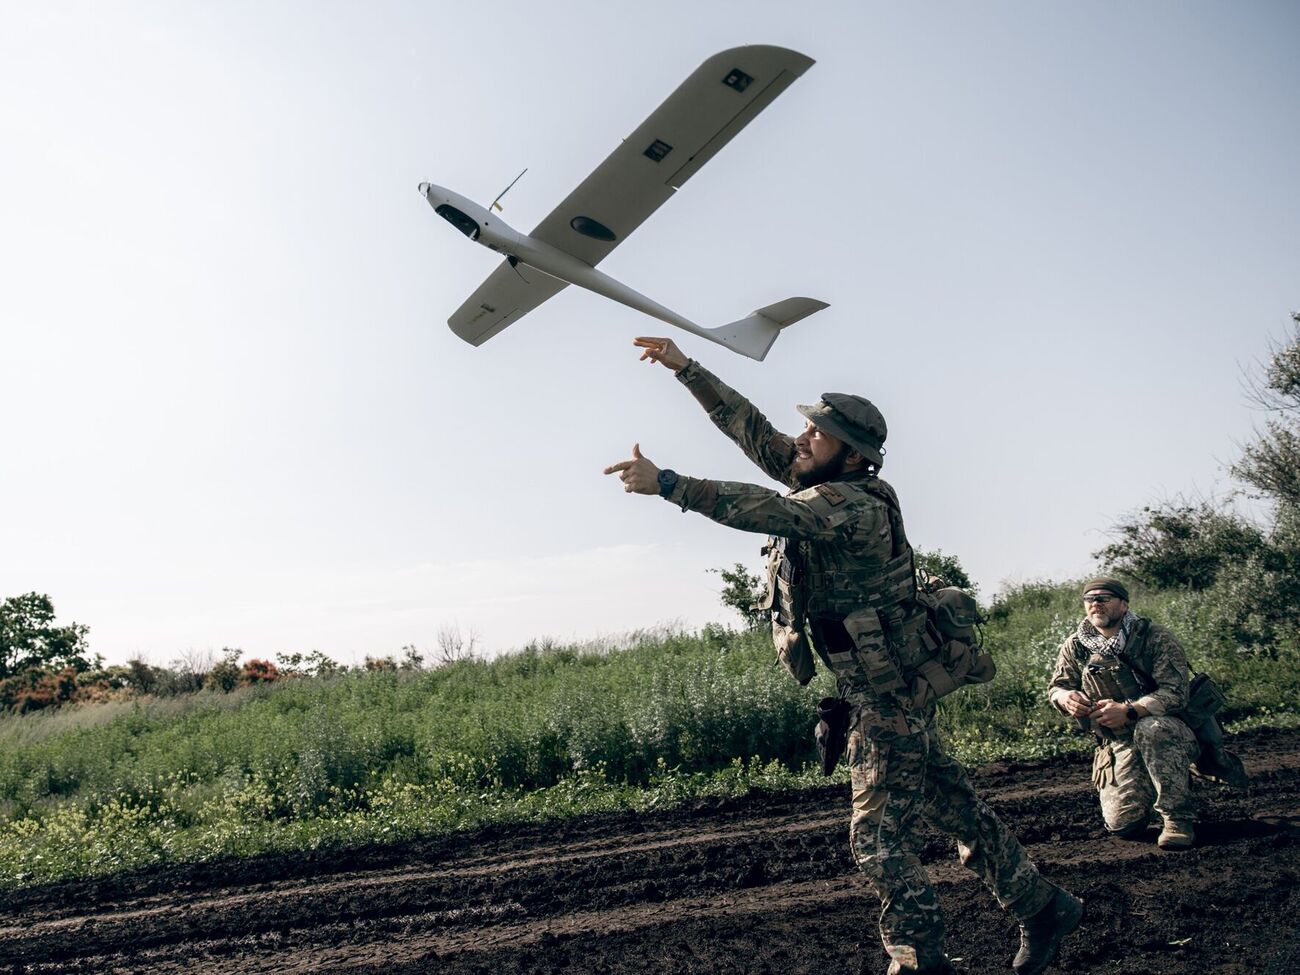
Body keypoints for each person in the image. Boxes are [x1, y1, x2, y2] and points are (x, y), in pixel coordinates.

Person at [604, 337, 1082, 975]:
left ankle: (919, 960)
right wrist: (687, 369)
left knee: (878, 843)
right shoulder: (826, 476)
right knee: (959, 810)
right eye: (805, 428)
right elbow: (754, 434)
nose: (801, 440)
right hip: (885, 691)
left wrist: (668, 483)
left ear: (852, 454)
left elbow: (766, 508)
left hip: (886, 699)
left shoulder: (850, 505)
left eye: (816, 433)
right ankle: (1043, 907)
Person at [1047, 578, 1201, 849]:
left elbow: (1176, 693)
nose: (1096, 603)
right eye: (1090, 599)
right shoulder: (1077, 646)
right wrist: (1066, 698)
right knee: (1123, 825)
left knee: (1152, 729)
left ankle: (1177, 818)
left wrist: (1131, 711)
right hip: (1117, 741)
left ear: (1124, 604)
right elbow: (1057, 687)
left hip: (1167, 731)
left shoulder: (1154, 638)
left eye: (1104, 598)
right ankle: (1155, 784)